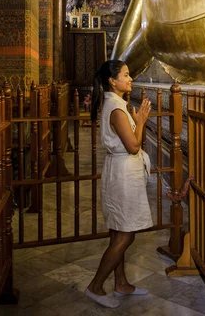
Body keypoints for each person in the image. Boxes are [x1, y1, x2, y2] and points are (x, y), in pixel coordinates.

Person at [85, 60, 153, 308]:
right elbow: (134, 146)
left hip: (122, 170)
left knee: (119, 231)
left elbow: (132, 143)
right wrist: (142, 120)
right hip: (123, 174)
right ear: (113, 81)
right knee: (125, 234)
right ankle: (95, 285)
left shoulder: (117, 105)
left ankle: (121, 282)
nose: (130, 78)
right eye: (125, 74)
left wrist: (136, 120)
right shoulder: (115, 108)